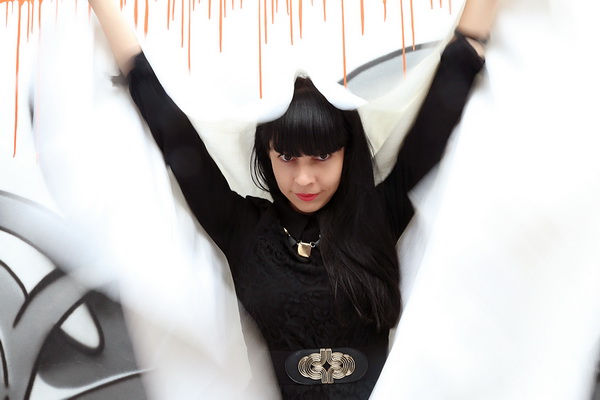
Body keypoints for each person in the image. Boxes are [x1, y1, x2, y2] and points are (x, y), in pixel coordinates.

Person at [88, 0, 497, 398]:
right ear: (267, 155)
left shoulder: (378, 215)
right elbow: (170, 127)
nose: (304, 178)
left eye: (322, 157)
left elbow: (446, 98)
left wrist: (473, 40)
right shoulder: (242, 228)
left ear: (347, 153)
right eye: (287, 157)